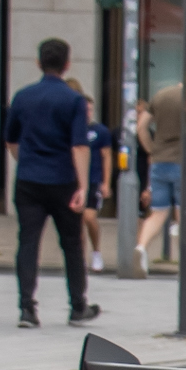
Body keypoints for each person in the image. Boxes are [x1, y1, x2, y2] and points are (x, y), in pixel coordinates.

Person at [2, 38, 96, 328]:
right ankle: (78, 306)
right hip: (63, 180)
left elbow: (11, 140)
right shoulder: (74, 100)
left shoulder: (22, 97)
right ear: (67, 65)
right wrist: (82, 186)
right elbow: (79, 146)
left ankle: (27, 308)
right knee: (71, 243)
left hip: (29, 179)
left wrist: (26, 160)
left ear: (38, 63)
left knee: (28, 241)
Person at [136, 79, 184, 268]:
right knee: (184, 213)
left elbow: (141, 127)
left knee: (158, 213)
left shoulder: (160, 96)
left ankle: (141, 248)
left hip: (159, 161)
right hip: (183, 161)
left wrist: (152, 150)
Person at [78, 86, 117, 274]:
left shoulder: (99, 131)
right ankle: (79, 257)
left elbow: (107, 157)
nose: (87, 113)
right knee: (76, 221)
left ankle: (96, 251)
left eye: (90, 109)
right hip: (75, 180)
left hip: (93, 180)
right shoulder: (73, 130)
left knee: (89, 216)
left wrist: (106, 182)